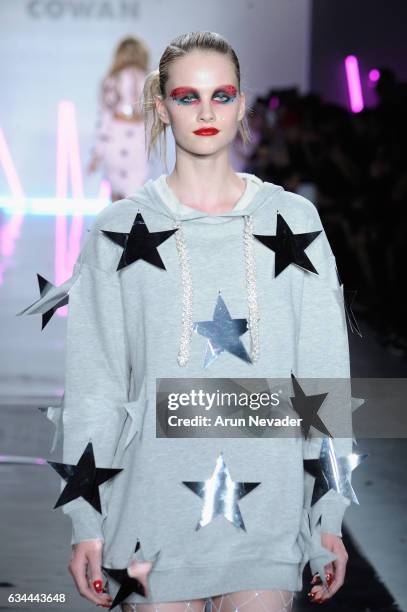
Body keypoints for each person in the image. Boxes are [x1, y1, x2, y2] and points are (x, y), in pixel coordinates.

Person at [21, 31, 354, 611]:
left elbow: (323, 382)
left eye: (221, 96)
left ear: (242, 104)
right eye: (186, 96)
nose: (205, 112)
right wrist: (86, 521)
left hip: (269, 516)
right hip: (148, 516)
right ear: (161, 106)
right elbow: (96, 384)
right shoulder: (117, 230)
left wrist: (328, 514)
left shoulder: (293, 220)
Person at [87, 36, 150, 201]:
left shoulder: (112, 80)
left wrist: (97, 154)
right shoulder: (150, 80)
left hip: (116, 138)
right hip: (138, 141)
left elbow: (105, 119)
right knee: (136, 196)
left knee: (118, 197)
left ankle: (118, 225)